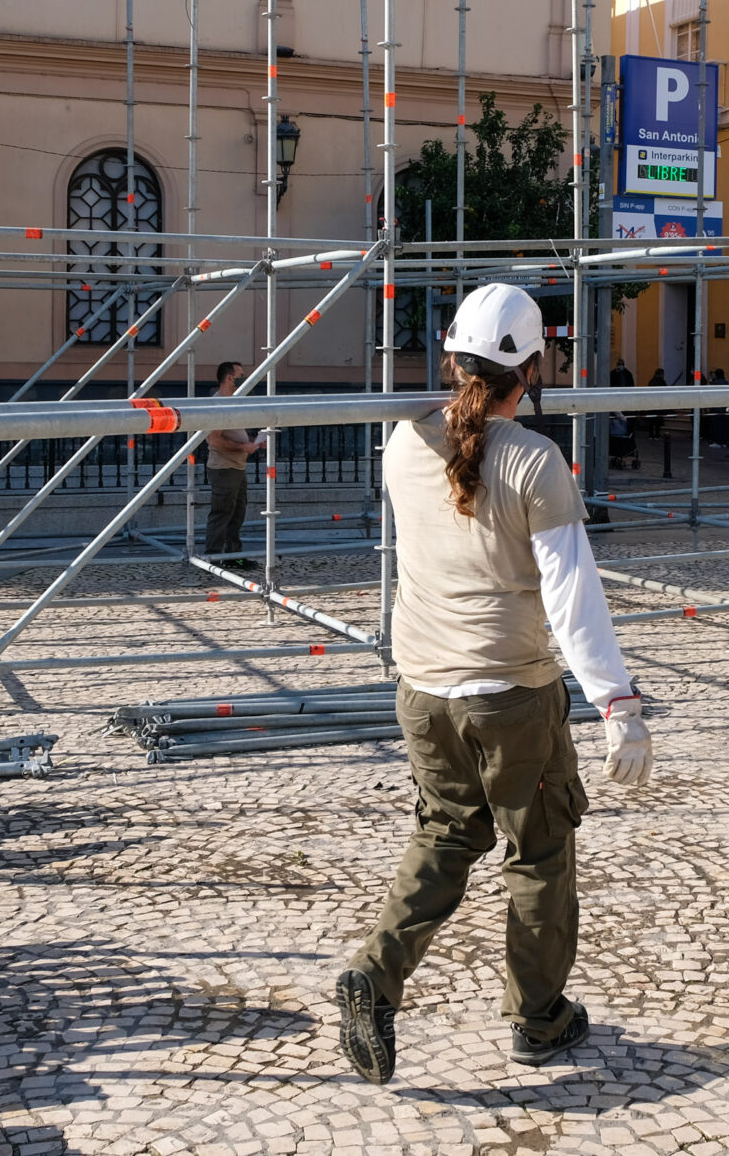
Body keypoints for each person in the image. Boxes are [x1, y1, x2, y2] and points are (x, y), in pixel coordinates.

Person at [338, 283, 653, 1084]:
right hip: (511, 694)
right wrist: (618, 701)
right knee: (539, 852)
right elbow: (572, 597)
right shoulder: (536, 461)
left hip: (423, 689)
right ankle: (539, 1019)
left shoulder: (404, 441)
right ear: (534, 366)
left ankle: (375, 973)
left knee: (446, 835)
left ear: (450, 357)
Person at [203, 362, 264, 570]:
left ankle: (234, 557)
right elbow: (215, 440)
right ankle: (212, 558)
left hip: (237, 467)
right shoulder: (218, 404)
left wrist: (253, 442)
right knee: (222, 513)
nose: (244, 379)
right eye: (241, 375)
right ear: (230, 378)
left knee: (237, 515)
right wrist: (243, 446)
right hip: (223, 468)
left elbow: (232, 433)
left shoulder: (234, 401)